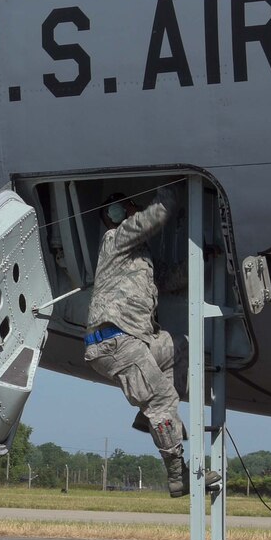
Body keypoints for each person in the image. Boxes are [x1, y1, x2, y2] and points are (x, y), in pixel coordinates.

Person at [83, 192, 190, 498]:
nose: (132, 209)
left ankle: (148, 418)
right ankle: (176, 475)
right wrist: (174, 188)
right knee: (163, 400)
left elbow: (168, 280)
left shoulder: (141, 258)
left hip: (133, 342)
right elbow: (156, 215)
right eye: (128, 206)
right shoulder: (114, 239)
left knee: (179, 346)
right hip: (115, 341)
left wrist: (203, 259)